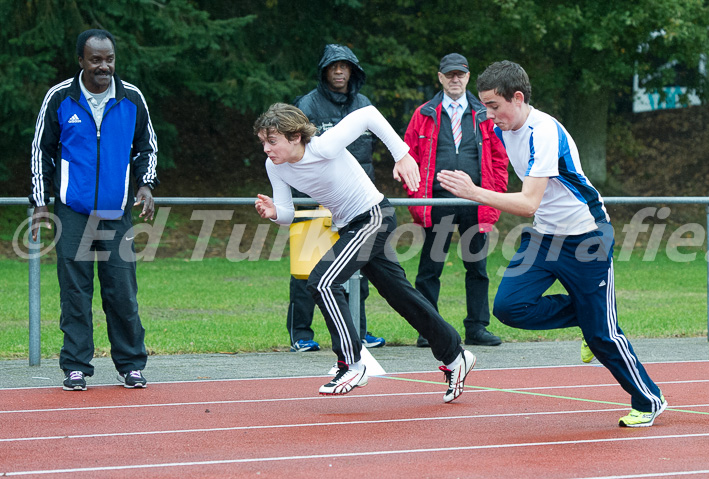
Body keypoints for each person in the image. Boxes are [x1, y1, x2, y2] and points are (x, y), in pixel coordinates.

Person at [437, 60, 667, 427]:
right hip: (544, 236)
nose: (490, 115)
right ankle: (588, 316)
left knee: (603, 336)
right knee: (510, 307)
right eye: (484, 107)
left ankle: (648, 398)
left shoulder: (543, 131)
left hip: (586, 237)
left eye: (494, 106)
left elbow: (527, 202)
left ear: (517, 97)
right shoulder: (499, 128)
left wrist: (474, 193)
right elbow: (516, 189)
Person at [254, 103, 475, 400]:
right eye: (263, 142)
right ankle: (455, 355)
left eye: (272, 141)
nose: (266, 149)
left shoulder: (324, 145)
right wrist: (273, 213)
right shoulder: (275, 166)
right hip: (351, 226)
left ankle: (351, 363)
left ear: (295, 136)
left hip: (373, 217)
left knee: (322, 281)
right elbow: (287, 215)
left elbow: (369, 114)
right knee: (400, 295)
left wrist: (403, 154)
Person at [30, 29, 158, 391]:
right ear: (81, 61)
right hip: (73, 211)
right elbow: (42, 152)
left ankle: (131, 365)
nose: (104, 66)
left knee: (121, 291)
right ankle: (75, 366)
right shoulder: (60, 98)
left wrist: (146, 185)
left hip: (116, 213)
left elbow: (147, 147)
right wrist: (41, 202)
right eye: (96, 59)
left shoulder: (131, 97)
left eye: (109, 59)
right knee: (75, 292)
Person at [404, 53, 508, 348]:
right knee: (430, 268)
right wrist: (416, 199)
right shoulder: (424, 113)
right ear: (440, 77)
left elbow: (500, 160)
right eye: (449, 74)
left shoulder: (484, 113)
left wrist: (495, 196)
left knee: (477, 267)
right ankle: (428, 329)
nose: (454, 79)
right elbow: (408, 157)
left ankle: (477, 327)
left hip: (476, 200)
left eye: (460, 74)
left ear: (467, 77)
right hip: (437, 202)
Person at [288, 44, 384, 352]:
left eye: (345, 66)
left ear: (353, 71)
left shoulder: (364, 104)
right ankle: (301, 333)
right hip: (313, 200)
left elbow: (368, 156)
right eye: (334, 67)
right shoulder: (307, 104)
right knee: (307, 268)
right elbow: (294, 153)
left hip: (357, 203)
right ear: (324, 71)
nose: (340, 71)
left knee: (358, 268)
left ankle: (359, 330)